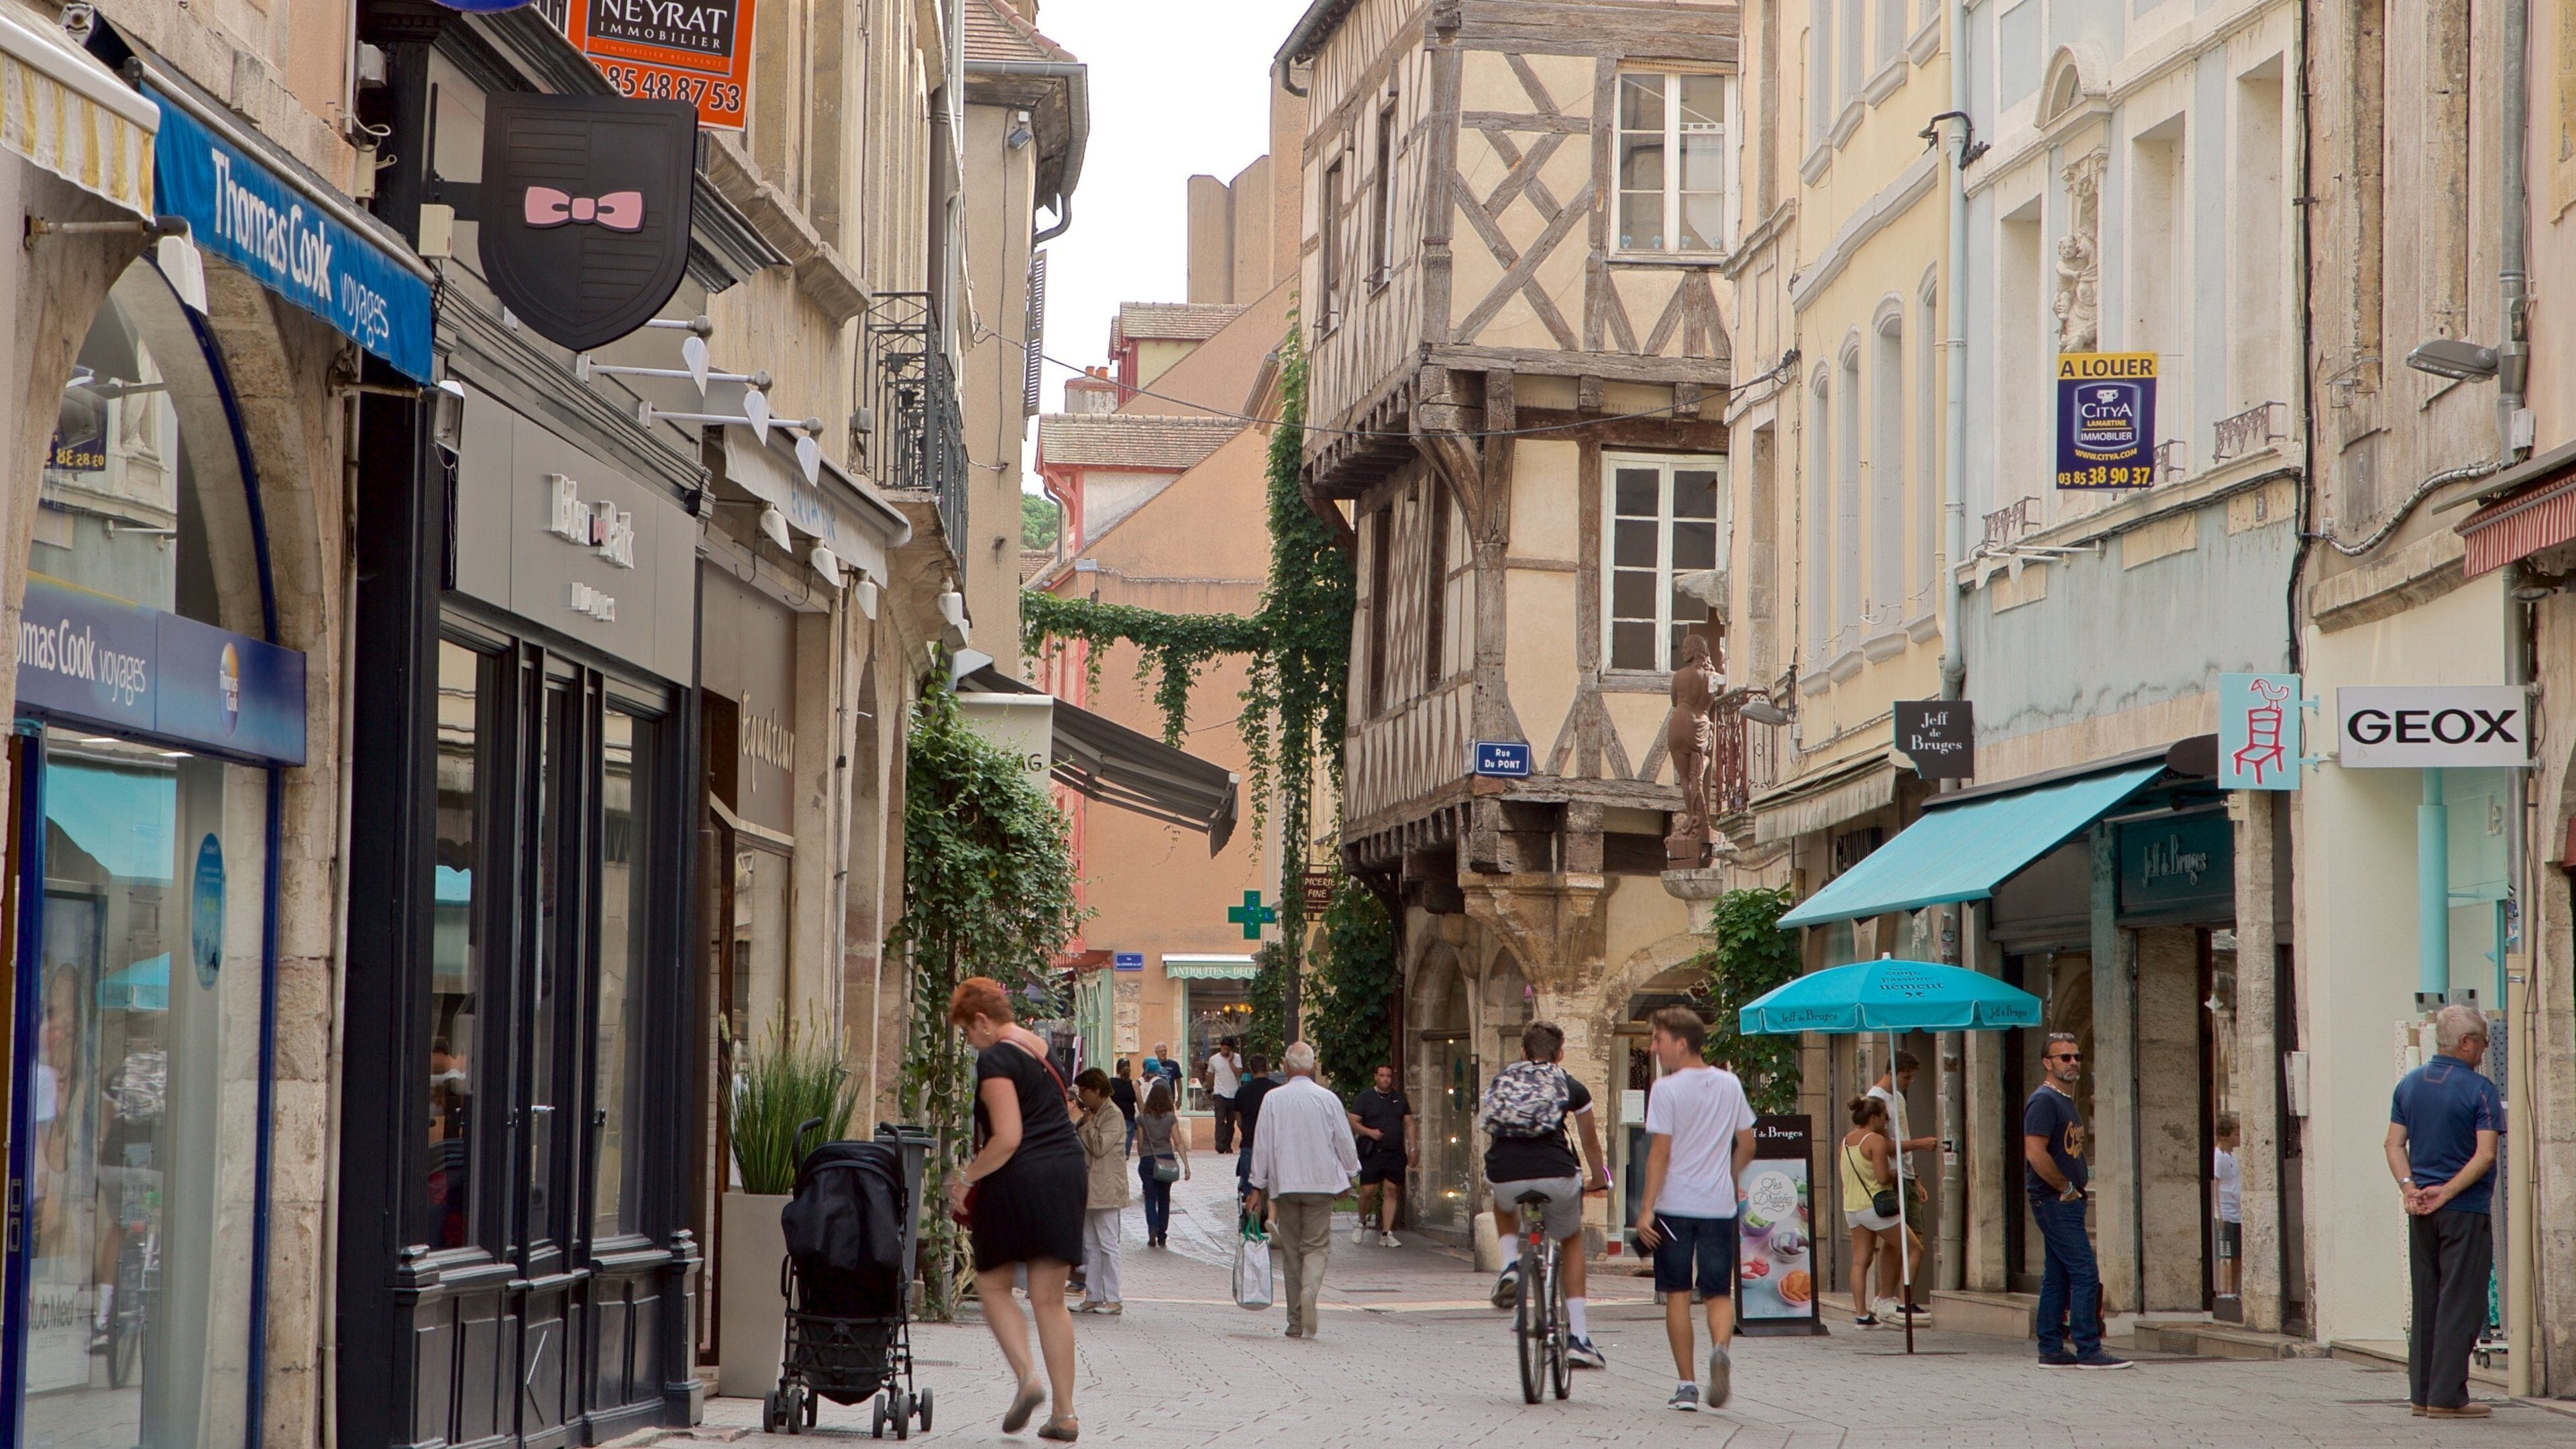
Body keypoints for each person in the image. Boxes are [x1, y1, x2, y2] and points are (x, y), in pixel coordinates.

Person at [944, 977, 1087, 1440]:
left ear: (983, 1021)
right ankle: (1065, 1414)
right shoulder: (1042, 1051)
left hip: (1021, 1177)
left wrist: (966, 1177)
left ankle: (1027, 1378)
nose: (970, 1043)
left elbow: (1007, 1137)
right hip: (1067, 1172)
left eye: (968, 1032)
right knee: (1049, 1300)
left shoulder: (996, 1057)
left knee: (992, 1283)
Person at [1630, 1006, 1757, 1412]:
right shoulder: (1729, 1083)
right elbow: (1749, 1144)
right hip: (1719, 1205)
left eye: (1658, 1040)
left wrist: (1646, 1209)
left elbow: (1660, 1154)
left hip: (1675, 1206)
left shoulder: (1666, 1089)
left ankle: (1686, 1385)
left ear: (1680, 1044)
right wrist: (1728, 1174)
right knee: (1719, 1291)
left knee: (1678, 1295)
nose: (1654, 1048)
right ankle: (1720, 1348)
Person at [2386, 1004, 2502, 1419]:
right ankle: (2447, 1397)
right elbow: (2485, 1155)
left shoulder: (2410, 1084)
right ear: (2467, 1043)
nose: (2484, 1051)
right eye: (2483, 1043)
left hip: (2421, 1210)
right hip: (2463, 1208)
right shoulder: (2480, 1089)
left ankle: (2421, 1394)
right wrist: (2448, 1192)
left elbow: (2393, 1144)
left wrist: (2410, 1189)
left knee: (2428, 1299)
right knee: (2462, 1300)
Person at [1481, 1021, 1611, 1369]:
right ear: (1561, 1054)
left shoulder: (1504, 1079)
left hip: (1504, 1171)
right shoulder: (1572, 1085)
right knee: (1570, 1239)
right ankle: (1578, 1339)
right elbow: (1590, 1143)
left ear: (1523, 1052)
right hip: (1556, 1172)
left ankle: (1510, 1264)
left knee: (1503, 1200)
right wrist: (1598, 1179)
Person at [2025, 1030, 2129, 1370]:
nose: (2072, 1063)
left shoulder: (2064, 1100)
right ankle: (2088, 1349)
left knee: (2057, 1276)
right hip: (2055, 1200)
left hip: (2065, 1198)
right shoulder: (2044, 1101)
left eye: (2077, 1057)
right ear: (2047, 1063)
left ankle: (2052, 1349)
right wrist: (2065, 1188)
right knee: (2084, 1272)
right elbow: (2035, 1153)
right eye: (2064, 1058)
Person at [1245, 1042, 1360, 1340]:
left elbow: (1262, 1145)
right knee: (1317, 1246)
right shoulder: (1328, 1099)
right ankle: (1310, 1291)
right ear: (1312, 1067)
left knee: (1292, 1252)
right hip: (1320, 1185)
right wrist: (1350, 1174)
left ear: (1285, 1066)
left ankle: (1295, 1320)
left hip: (1285, 1185)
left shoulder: (1272, 1100)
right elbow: (1344, 1141)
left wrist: (1257, 1186)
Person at [1863, 1051, 1933, 1324]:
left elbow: (1900, 1139)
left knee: (1908, 1238)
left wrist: (1915, 1176)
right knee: (1902, 1241)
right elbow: (1883, 1145)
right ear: (1891, 1072)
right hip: (1892, 1176)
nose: (1910, 1081)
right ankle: (1893, 1299)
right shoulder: (1876, 1100)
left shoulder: (1899, 1098)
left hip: (1905, 1175)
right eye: (1906, 1076)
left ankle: (1893, 1299)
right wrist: (1921, 1144)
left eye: (1913, 1077)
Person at [1839, 1095, 1905, 1328]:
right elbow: (1883, 1177)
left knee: (1861, 1261)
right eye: (1885, 1117)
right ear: (1874, 1117)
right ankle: (1894, 1303)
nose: (1887, 1122)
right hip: (1876, 1207)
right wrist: (1901, 1176)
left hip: (1853, 1207)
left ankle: (1862, 1315)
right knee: (1913, 1248)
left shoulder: (1846, 1140)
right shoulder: (1875, 1140)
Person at [1072, 1069, 1128, 1315]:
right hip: (1089, 1187)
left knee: (1108, 1243)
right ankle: (1093, 1296)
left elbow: (1099, 1146)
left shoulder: (1113, 1115)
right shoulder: (1094, 1114)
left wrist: (1086, 1124)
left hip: (1106, 1188)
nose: (1082, 1098)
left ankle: (1114, 1299)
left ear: (1095, 1090)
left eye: (1084, 1092)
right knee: (1091, 1244)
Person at [1347, 1064, 1415, 1246]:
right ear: (1376, 1077)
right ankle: (1361, 1222)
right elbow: (1352, 1121)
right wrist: (1369, 1132)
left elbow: (1409, 1124)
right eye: (1382, 1076)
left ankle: (1386, 1233)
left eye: (1388, 1076)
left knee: (1391, 1191)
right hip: (1372, 1152)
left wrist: (1413, 1147)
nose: (1385, 1079)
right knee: (1367, 1191)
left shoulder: (1400, 1099)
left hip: (1395, 1152)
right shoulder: (1366, 1098)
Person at [1134, 1079, 1190, 1248]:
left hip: (1148, 1160)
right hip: (1166, 1158)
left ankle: (1152, 1226)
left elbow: (1141, 1142)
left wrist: (1143, 1156)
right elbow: (1178, 1141)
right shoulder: (1171, 1118)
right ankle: (1162, 1235)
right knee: (1164, 1198)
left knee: (1150, 1198)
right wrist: (1186, 1165)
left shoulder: (1142, 1118)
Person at [1232, 1052, 1278, 1203]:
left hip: (1249, 1144)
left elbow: (1239, 1122)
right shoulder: (1277, 1091)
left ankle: (1251, 1221)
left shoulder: (1242, 1092)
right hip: (1274, 1146)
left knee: (1250, 1190)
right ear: (1267, 1068)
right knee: (1274, 1190)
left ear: (1251, 1070)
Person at [2211, 1113, 2243, 1300]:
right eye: (2236, 1134)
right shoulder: (2219, 1157)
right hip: (2226, 1211)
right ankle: (2226, 1290)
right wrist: (2219, 1214)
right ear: (2225, 1135)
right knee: (2226, 1253)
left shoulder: (2232, 1156)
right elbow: (2216, 1185)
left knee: (2237, 1253)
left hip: (2236, 1210)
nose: (2238, 1138)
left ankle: (2234, 1289)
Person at [1209, 1037, 1245, 1152]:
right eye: (1224, 1049)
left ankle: (1227, 1145)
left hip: (1233, 1094)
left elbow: (1239, 1074)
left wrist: (1230, 1061)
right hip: (1219, 1093)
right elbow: (1210, 1074)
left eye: (1228, 1050)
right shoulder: (1213, 1059)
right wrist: (1209, 1090)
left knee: (1231, 1122)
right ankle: (1220, 1145)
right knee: (1220, 1120)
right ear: (1221, 1047)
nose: (1225, 1052)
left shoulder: (1237, 1058)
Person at [1111, 1058, 1140, 1157]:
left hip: (1113, 1120)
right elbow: (1141, 1105)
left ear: (1117, 1069)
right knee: (1124, 1156)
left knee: (1112, 1153)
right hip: (1128, 1120)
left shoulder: (1110, 1083)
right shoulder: (1134, 1084)